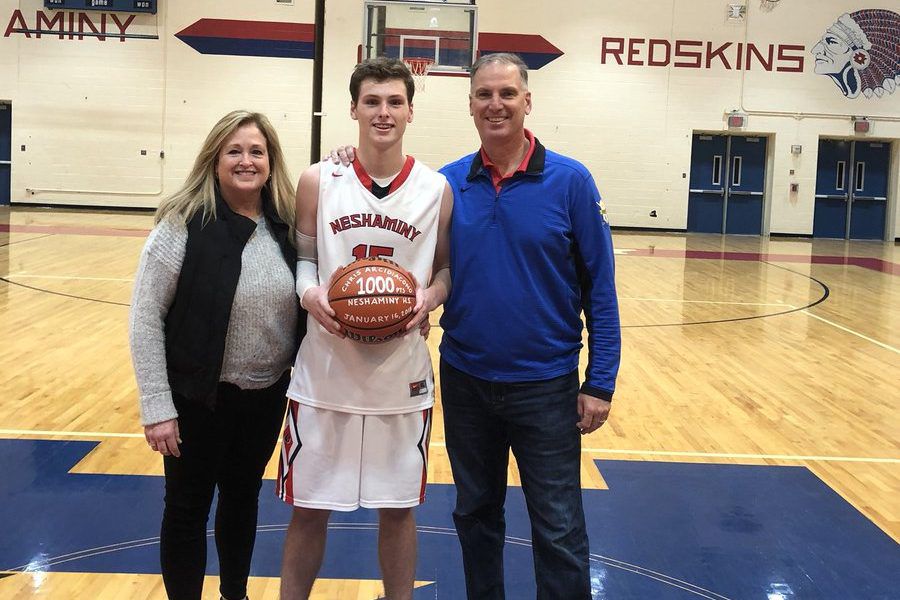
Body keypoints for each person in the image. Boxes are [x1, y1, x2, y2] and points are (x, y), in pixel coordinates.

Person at [330, 52, 620, 599]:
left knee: (558, 528)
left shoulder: (571, 182)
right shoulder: (445, 186)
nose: (496, 105)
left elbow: (600, 290)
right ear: (470, 106)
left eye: (507, 94)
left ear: (527, 101)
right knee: (476, 517)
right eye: (484, 95)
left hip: (545, 384)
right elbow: (405, 241)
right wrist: (348, 157)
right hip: (465, 379)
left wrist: (600, 380)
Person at [277, 57, 452, 600]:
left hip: (401, 376)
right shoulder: (318, 179)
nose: (383, 112)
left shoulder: (436, 188)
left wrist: (429, 298)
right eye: (372, 101)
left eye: (394, 102)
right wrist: (309, 295)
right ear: (353, 108)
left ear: (410, 112)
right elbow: (303, 258)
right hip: (323, 371)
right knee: (308, 510)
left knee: (398, 512)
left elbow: (445, 268)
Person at [129, 110, 304, 600]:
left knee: (242, 501)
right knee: (186, 508)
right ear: (214, 159)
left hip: (264, 397)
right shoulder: (182, 225)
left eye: (256, 151)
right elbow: (144, 317)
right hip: (194, 398)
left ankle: (235, 595)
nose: (246, 161)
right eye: (234, 151)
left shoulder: (286, 227)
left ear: (271, 162)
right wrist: (157, 406)